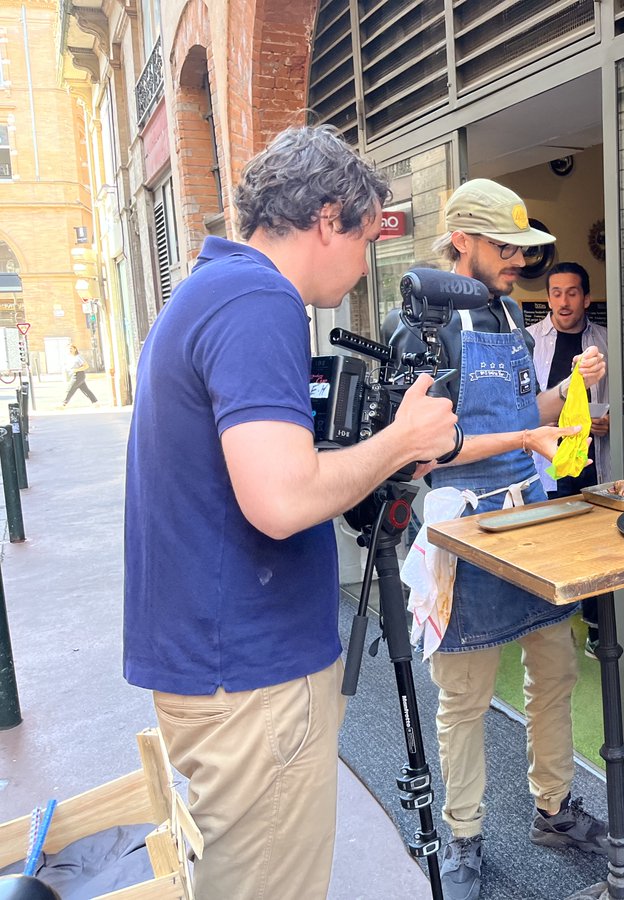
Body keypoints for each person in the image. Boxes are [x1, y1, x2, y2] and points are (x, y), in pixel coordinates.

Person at [122, 125, 459, 900]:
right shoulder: (256, 299)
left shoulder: (213, 290)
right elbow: (280, 500)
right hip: (249, 678)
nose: (365, 260)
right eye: (367, 235)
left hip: (217, 665)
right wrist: (403, 438)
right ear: (329, 215)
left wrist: (379, 451)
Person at [396, 178, 608, 900]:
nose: (520, 261)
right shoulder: (426, 329)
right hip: (467, 533)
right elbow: (423, 453)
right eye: (506, 247)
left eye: (523, 249)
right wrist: (524, 434)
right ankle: (463, 840)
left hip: (534, 523)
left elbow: (530, 408)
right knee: (464, 700)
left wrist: (569, 387)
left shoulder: (511, 318)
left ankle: (554, 808)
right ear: (462, 241)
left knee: (554, 673)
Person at [528, 261, 609, 656]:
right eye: (556, 293)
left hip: (595, 462)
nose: (563, 301)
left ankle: (595, 627)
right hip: (548, 464)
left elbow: (618, 399)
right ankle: (556, 630)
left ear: (586, 298)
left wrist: (608, 421)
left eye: (572, 292)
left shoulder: (605, 342)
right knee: (555, 547)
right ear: (548, 299)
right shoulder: (528, 341)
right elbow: (525, 408)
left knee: (594, 545)